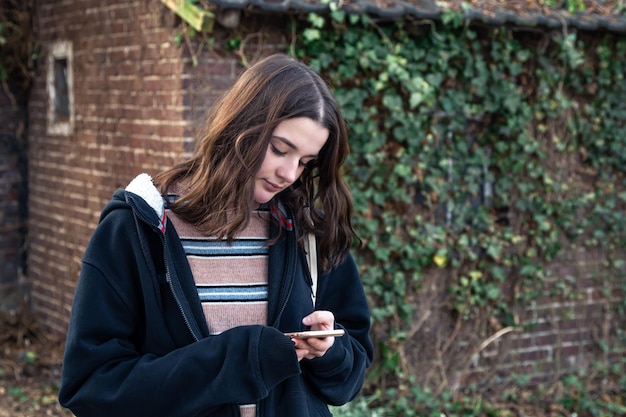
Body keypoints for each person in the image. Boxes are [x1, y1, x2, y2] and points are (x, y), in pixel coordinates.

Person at [58, 53, 374, 417]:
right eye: (279, 150)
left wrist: (330, 351)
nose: (290, 173)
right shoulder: (138, 228)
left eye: (305, 162)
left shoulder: (308, 231)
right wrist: (237, 360)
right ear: (241, 126)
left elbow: (350, 377)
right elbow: (91, 386)